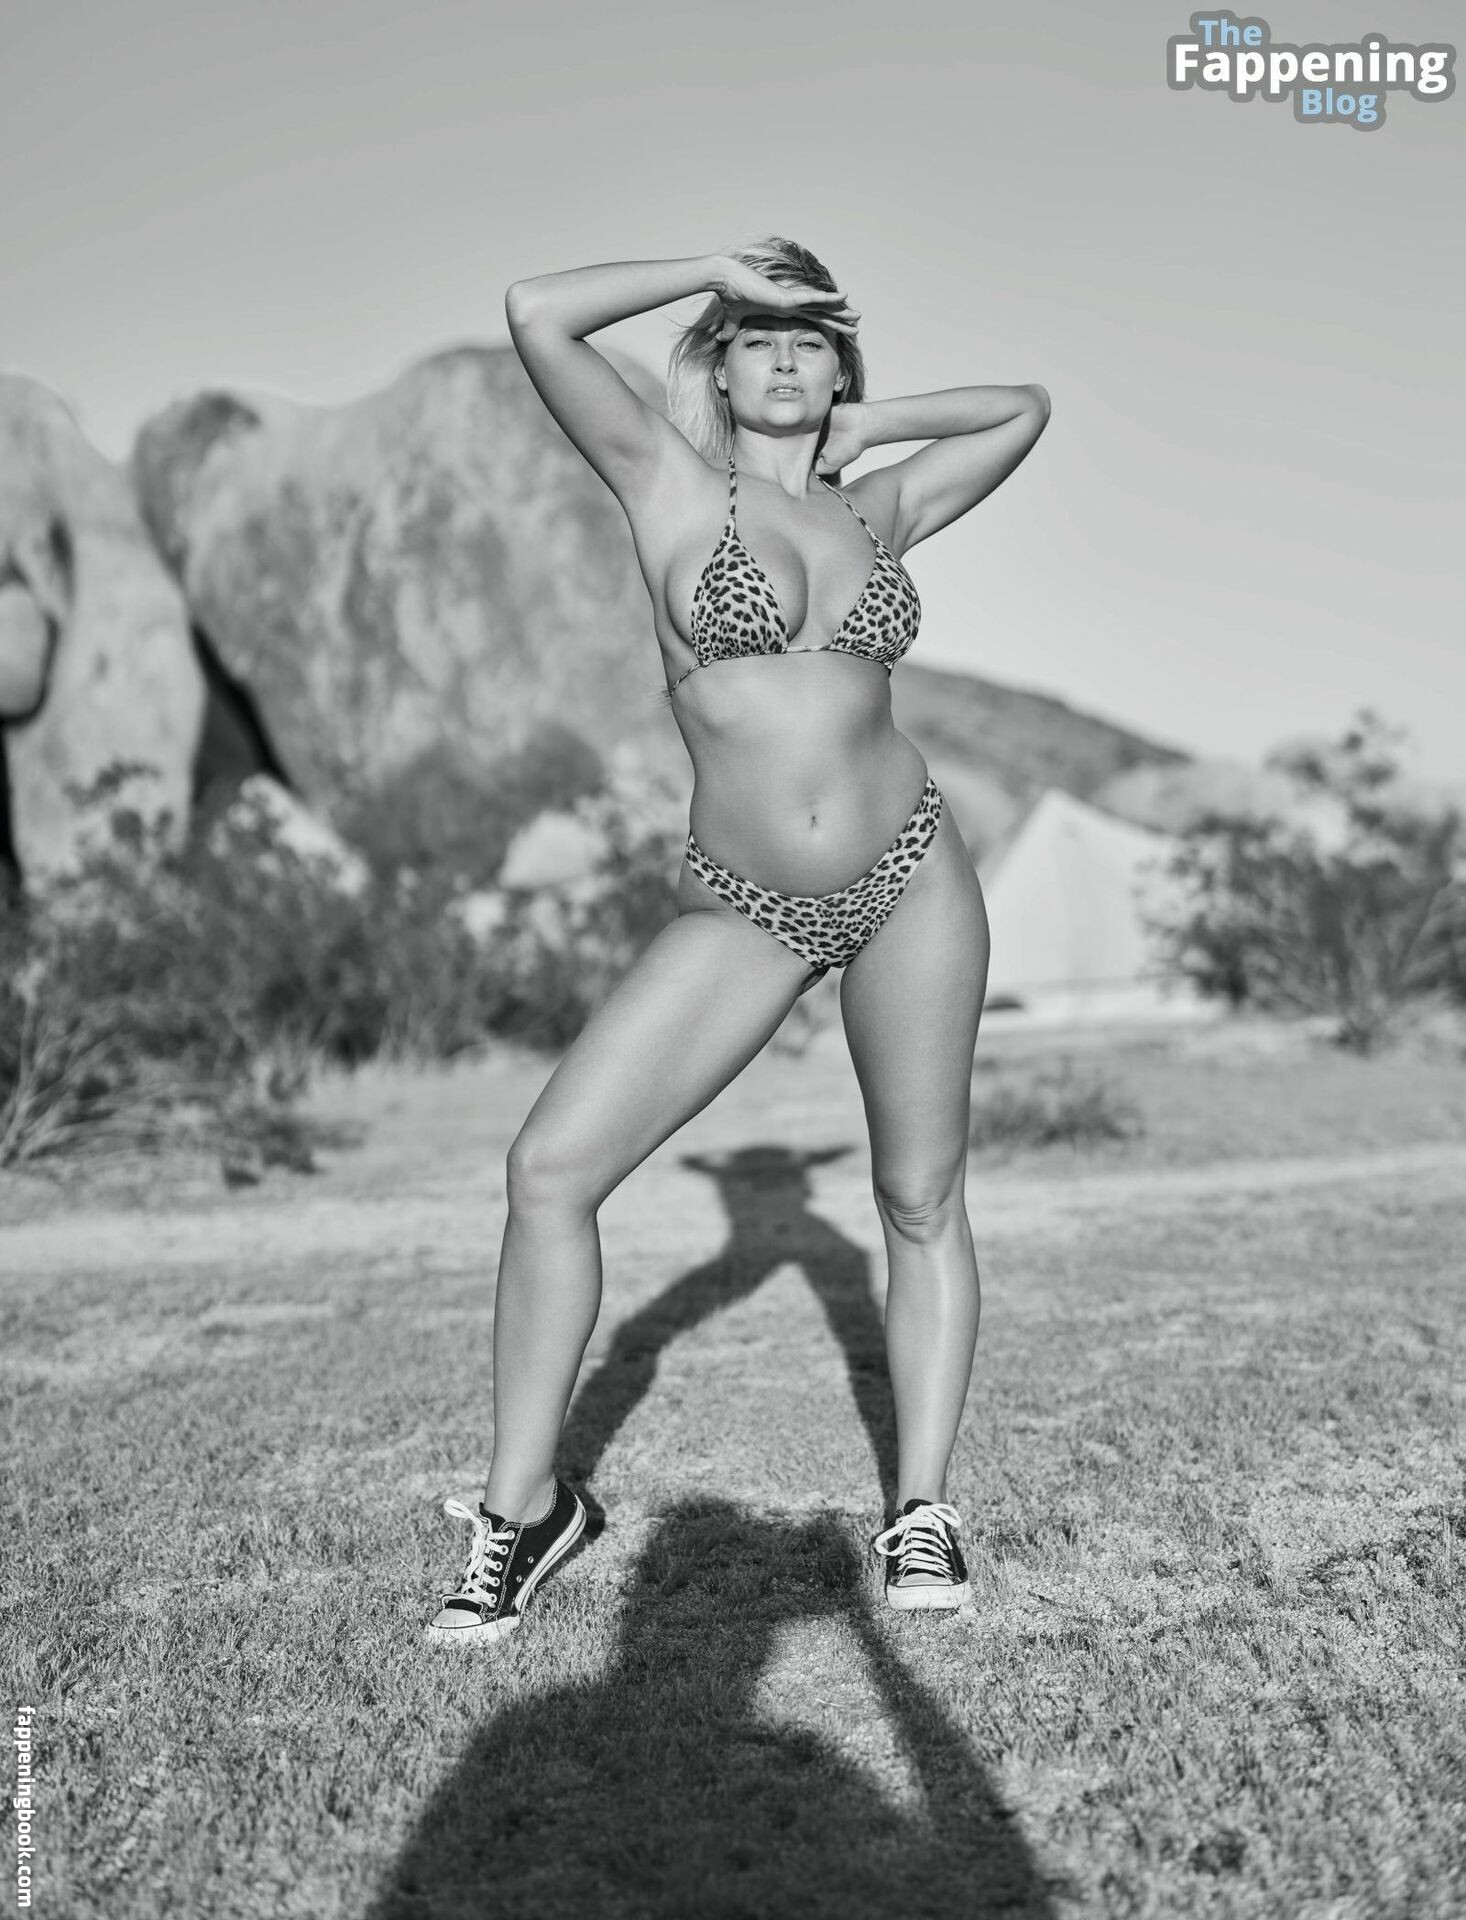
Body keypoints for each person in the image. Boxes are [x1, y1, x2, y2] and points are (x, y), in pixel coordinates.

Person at [425, 239, 1051, 1644]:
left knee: (919, 1198)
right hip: (745, 899)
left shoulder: (877, 505)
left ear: (839, 368)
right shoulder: (660, 478)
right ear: (714, 362)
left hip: (912, 871)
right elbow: (536, 313)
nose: (781, 356)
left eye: (808, 339)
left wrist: (862, 428)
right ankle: (523, 1510)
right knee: (549, 1171)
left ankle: (921, 1509)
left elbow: (1022, 408)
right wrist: (717, 261)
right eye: (755, 335)